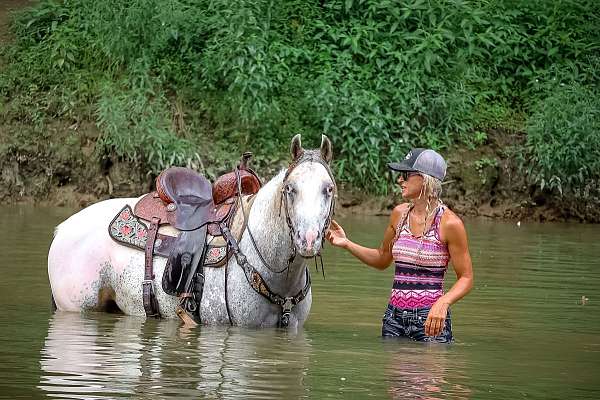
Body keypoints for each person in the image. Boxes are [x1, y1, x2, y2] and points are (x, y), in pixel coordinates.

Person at [326, 148, 473, 342]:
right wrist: (346, 243)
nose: (399, 180)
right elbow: (382, 258)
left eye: (405, 175)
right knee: (396, 373)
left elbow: (466, 277)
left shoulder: (450, 224)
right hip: (393, 319)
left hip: (430, 320)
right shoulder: (399, 214)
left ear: (425, 179)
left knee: (429, 373)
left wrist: (443, 303)